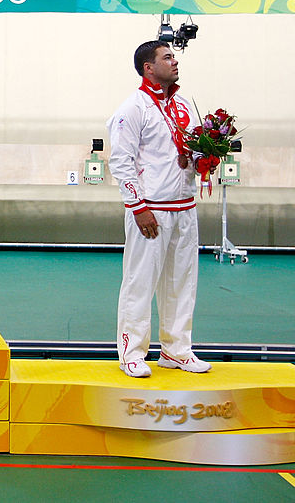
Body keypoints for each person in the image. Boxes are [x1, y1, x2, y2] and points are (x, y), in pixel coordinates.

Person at [107, 40, 212, 378]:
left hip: (185, 206)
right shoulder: (132, 108)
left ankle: (177, 351)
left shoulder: (183, 105)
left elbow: (193, 150)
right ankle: (131, 353)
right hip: (150, 210)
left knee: (183, 282)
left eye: (174, 56)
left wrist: (204, 158)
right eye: (167, 57)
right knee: (140, 281)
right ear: (148, 67)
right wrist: (138, 207)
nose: (174, 61)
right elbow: (120, 162)